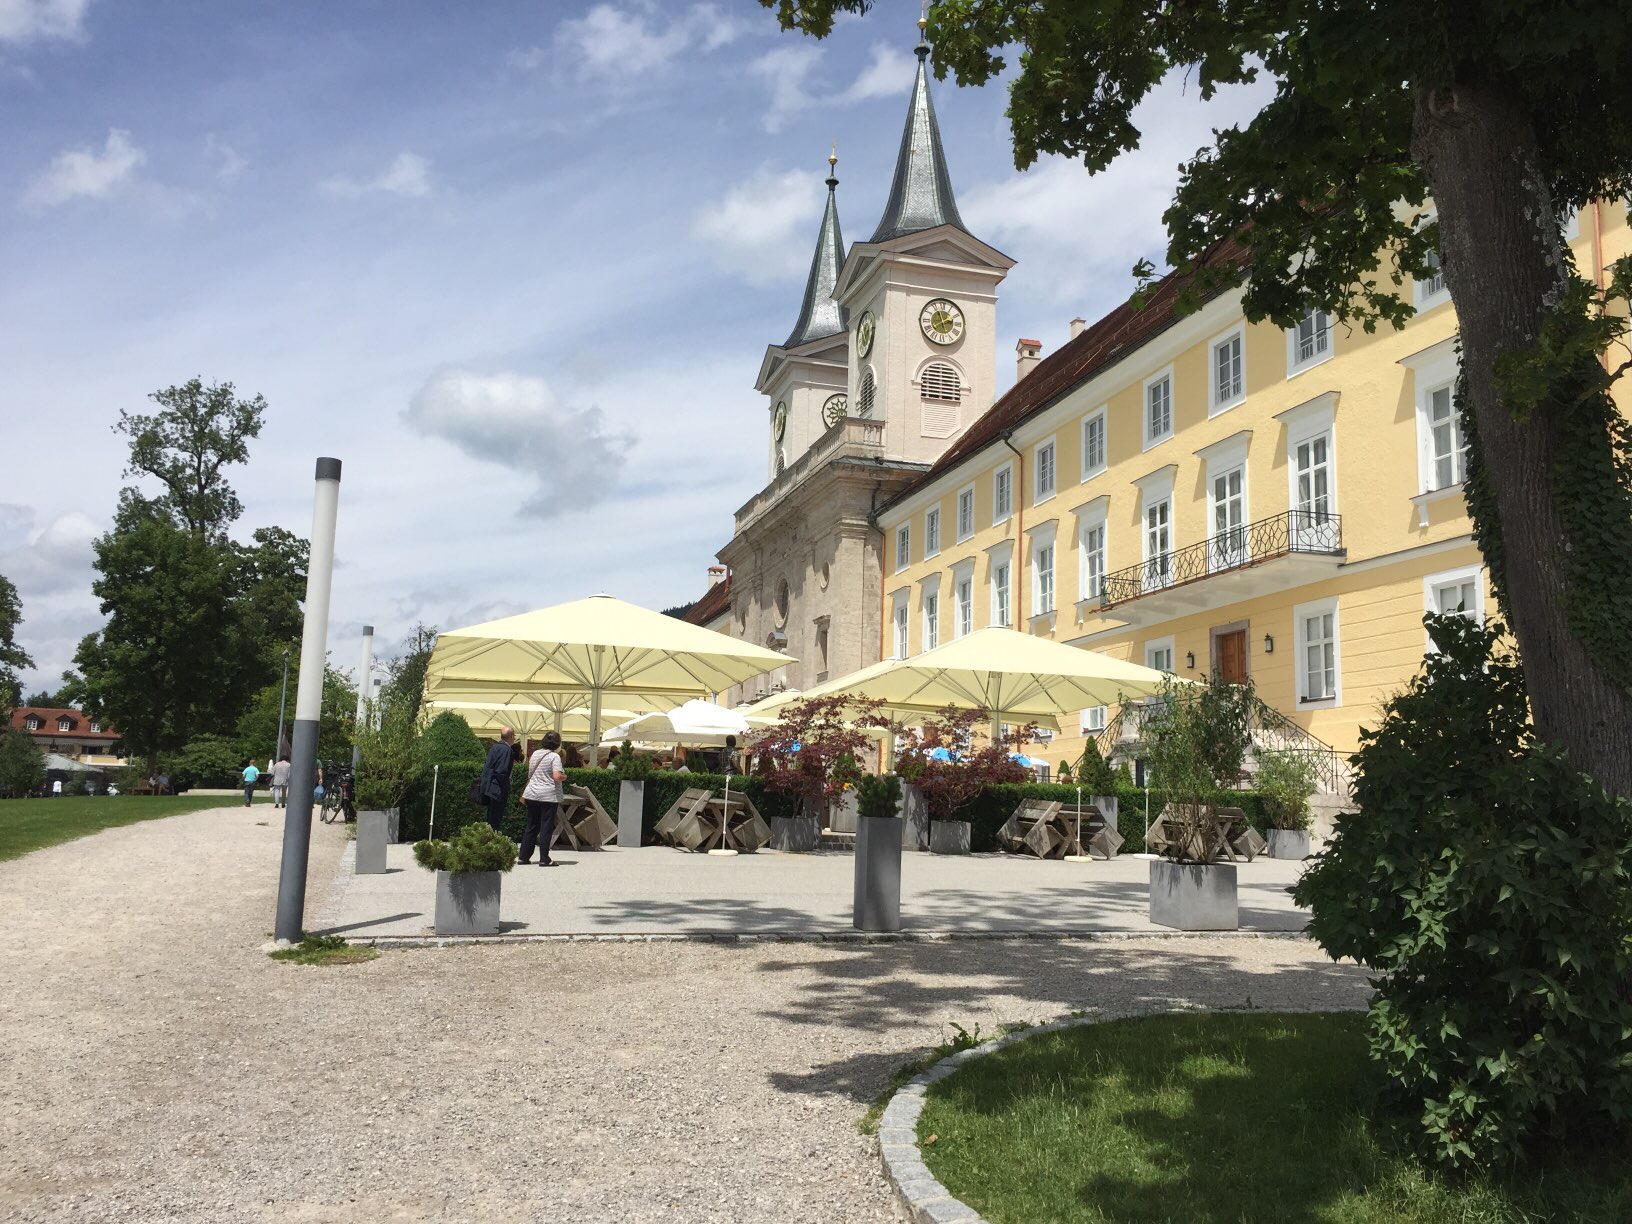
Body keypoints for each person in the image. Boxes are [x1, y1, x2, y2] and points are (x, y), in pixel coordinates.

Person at [519, 730, 566, 866]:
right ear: (557, 744)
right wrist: (565, 776)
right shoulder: (554, 757)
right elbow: (557, 776)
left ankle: (523, 856)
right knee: (546, 827)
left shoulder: (535, 754)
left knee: (531, 825)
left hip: (532, 794)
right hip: (548, 796)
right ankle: (544, 858)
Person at [478, 727, 517, 832]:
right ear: (512, 737)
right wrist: (506, 785)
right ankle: (492, 842)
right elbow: (501, 771)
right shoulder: (507, 750)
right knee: (495, 819)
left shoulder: (495, 747)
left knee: (490, 817)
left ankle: (487, 839)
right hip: (498, 789)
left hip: (489, 787)